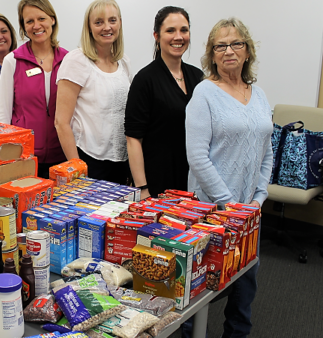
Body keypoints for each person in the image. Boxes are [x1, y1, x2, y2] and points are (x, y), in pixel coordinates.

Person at [185, 18, 273, 338]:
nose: (229, 51)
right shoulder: (204, 94)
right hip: (211, 210)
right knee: (200, 286)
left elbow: (267, 150)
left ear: (247, 51)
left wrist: (257, 200)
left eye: (236, 43)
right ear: (212, 55)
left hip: (249, 210)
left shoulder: (259, 94)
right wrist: (229, 204)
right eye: (220, 46)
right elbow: (197, 157)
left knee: (245, 282)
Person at [124, 6, 203, 198]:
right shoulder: (145, 79)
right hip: (158, 183)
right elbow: (133, 138)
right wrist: (143, 189)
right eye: (170, 31)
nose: (178, 37)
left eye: (184, 30)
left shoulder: (198, 77)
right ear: (157, 36)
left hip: (193, 181)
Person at [54, 0, 131, 184]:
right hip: (89, 161)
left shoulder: (124, 62)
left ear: (119, 22)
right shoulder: (76, 61)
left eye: (112, 20)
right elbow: (61, 122)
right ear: (88, 27)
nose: (107, 27)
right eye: (98, 22)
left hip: (121, 162)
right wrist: (78, 170)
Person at [0, 0, 68, 179]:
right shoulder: (12, 60)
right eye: (29, 21)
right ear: (23, 26)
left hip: (62, 157)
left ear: (52, 20)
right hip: (24, 159)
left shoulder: (69, 60)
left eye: (41, 18)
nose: (36, 26)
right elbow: (3, 115)